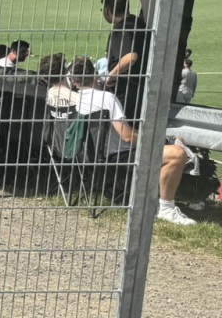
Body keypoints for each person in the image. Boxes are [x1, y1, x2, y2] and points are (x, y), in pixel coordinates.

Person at [65, 58, 195, 226]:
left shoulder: (77, 99)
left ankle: (156, 197)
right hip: (117, 157)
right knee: (177, 153)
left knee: (174, 143)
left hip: (89, 156)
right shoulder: (106, 98)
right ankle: (166, 208)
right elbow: (126, 136)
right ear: (95, 74)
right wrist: (156, 142)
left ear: (74, 81)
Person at [102, 0, 151, 123]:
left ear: (107, 11)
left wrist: (110, 76)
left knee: (123, 127)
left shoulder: (121, 30)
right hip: (141, 87)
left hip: (126, 89)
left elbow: (130, 57)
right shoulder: (139, 24)